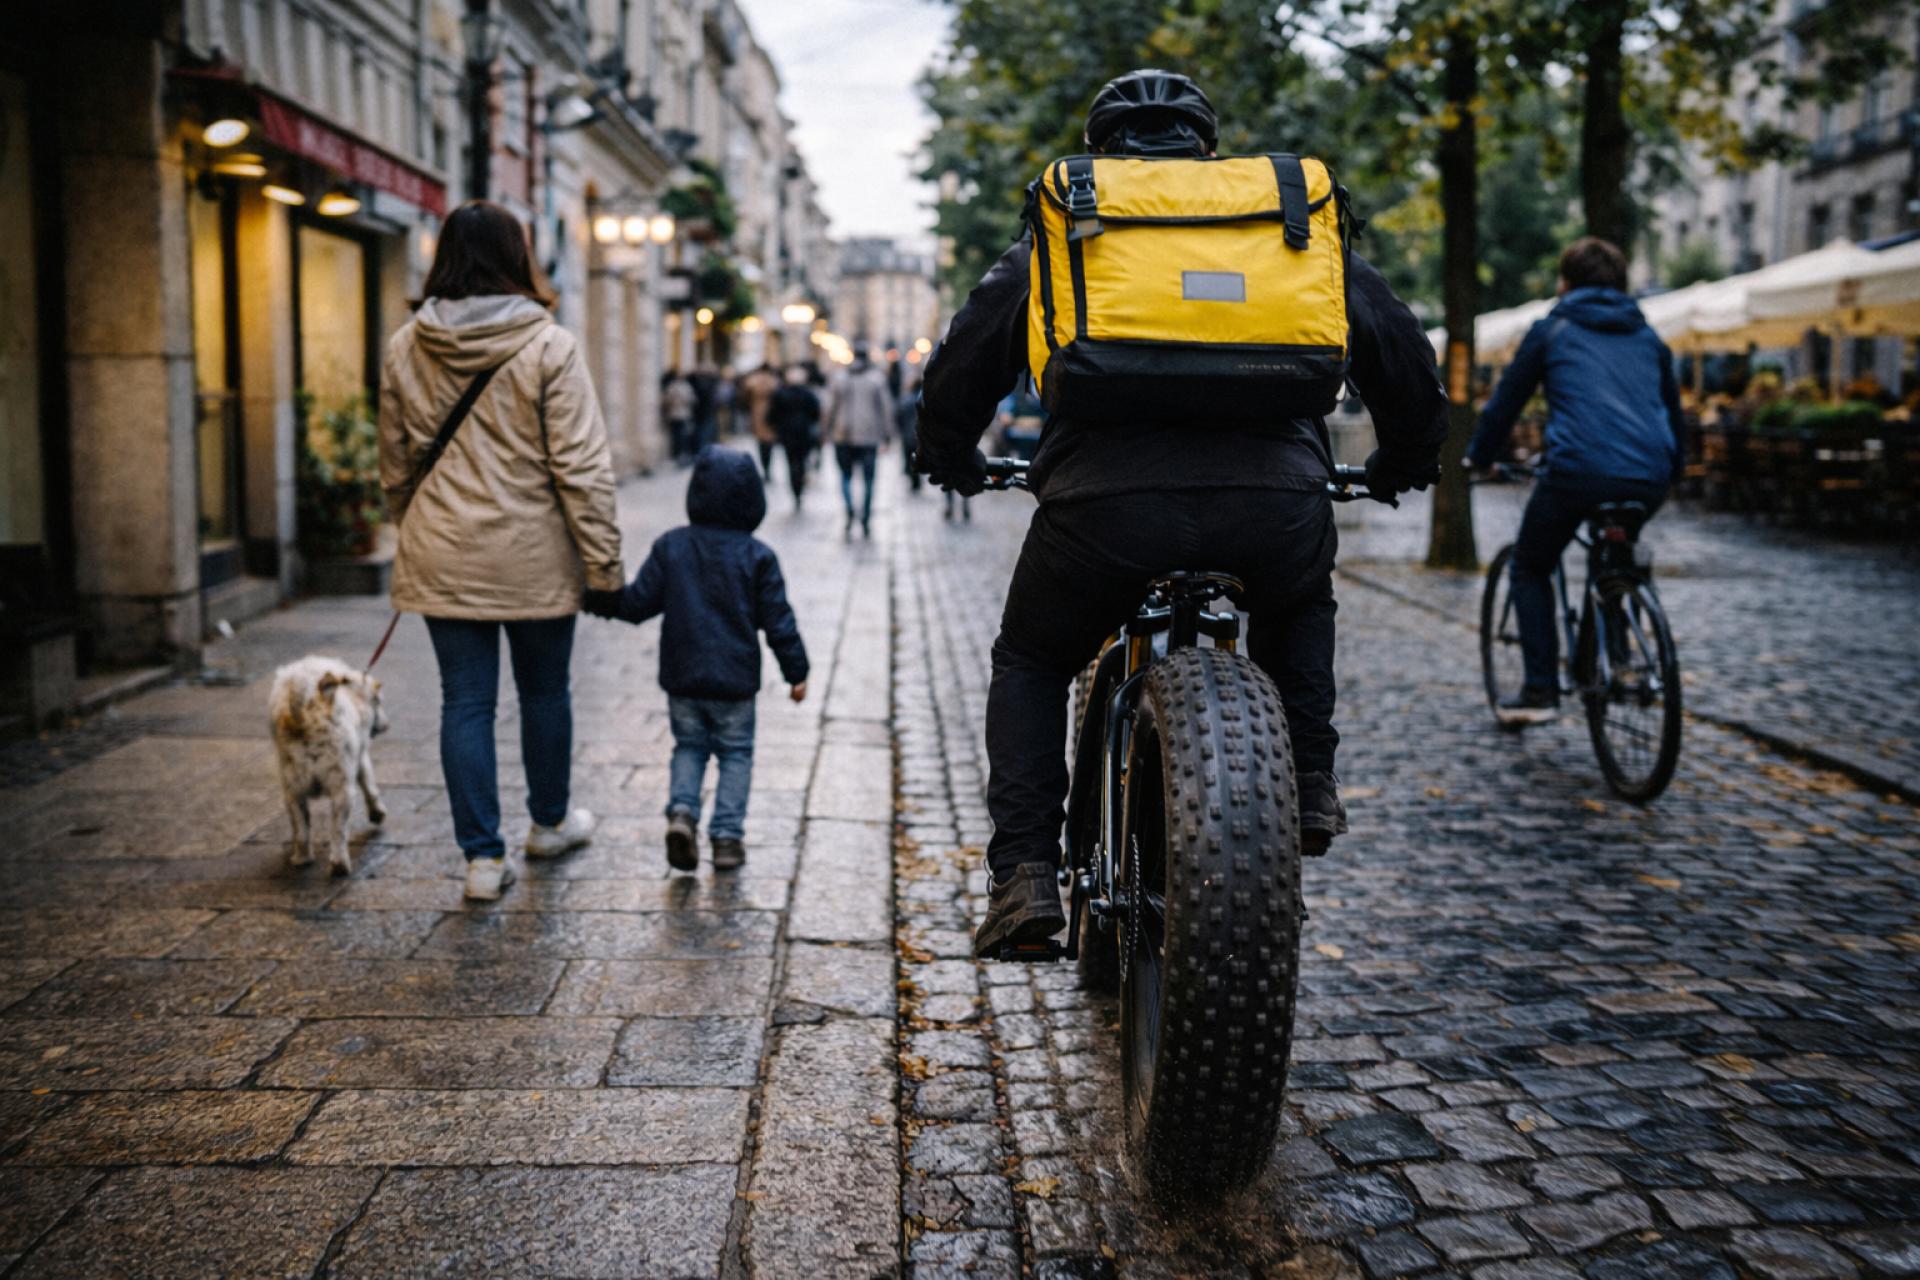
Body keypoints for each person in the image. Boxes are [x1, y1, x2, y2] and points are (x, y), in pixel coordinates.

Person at [914, 69, 1448, 956]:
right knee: (1299, 600)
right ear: (1207, 147)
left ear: (1102, 149)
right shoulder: (1282, 222)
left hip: (1101, 507)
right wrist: (1401, 462)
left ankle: (1025, 875)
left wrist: (952, 458)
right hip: (1274, 502)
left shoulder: (1074, 225)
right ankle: (1309, 780)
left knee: (1035, 657)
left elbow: (965, 361)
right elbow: (1399, 354)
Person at [378, 199, 622, 902]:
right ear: (519, 257)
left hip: (443, 546)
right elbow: (581, 466)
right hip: (534, 552)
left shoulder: (404, 346)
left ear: (443, 255)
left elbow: (394, 463)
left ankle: (481, 860)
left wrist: (416, 525)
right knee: (544, 690)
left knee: (465, 701)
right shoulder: (550, 345)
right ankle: (548, 823)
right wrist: (603, 563)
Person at [1466, 236, 1684, 724]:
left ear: (1565, 283)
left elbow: (1506, 403)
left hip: (1577, 472)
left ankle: (1540, 688)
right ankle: (1616, 656)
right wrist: (1675, 471)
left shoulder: (1553, 329)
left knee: (1530, 566)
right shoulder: (1649, 337)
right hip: (1648, 476)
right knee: (1616, 561)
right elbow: (1673, 414)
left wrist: (1478, 456)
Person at [588, 447, 809, 871]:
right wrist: (796, 673)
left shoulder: (672, 545)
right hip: (735, 682)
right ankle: (726, 838)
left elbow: (636, 604)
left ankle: (682, 814)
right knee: (735, 754)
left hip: (683, 677)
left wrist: (596, 597)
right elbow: (779, 622)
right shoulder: (758, 556)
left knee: (688, 747)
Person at [826, 344, 893, 539]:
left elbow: (829, 407)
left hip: (842, 435)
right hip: (868, 437)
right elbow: (886, 408)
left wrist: (826, 430)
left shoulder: (839, 377)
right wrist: (887, 434)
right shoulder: (876, 379)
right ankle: (865, 516)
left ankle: (850, 510)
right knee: (869, 479)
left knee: (846, 476)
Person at [769, 364, 823, 510]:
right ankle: (799, 486)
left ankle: (795, 488)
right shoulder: (808, 393)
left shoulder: (780, 393)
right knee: (801, 460)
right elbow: (816, 413)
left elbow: (773, 414)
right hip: (803, 433)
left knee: (791, 462)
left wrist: (775, 425)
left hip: (787, 434)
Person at [740, 362, 783, 482]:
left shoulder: (753, 381)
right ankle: (767, 468)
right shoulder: (774, 381)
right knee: (769, 443)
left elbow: (744, 396)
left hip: (756, 413)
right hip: (771, 413)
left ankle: (765, 467)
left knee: (761, 443)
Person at [897, 373, 923, 494]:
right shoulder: (926, 400)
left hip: (908, 434)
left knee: (909, 457)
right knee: (919, 456)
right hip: (921, 435)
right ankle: (916, 480)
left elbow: (899, 416)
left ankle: (914, 479)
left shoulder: (906, 400)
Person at [663, 371, 696, 465]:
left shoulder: (672, 386)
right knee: (682, 435)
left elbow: (667, 400)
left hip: (674, 414)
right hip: (683, 414)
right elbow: (692, 400)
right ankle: (681, 454)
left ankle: (676, 454)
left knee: (675, 435)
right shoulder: (687, 387)